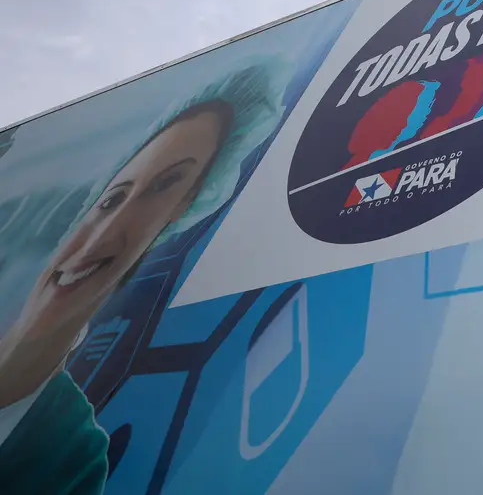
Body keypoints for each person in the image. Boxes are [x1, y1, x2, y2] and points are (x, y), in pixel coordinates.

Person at [0, 63, 283, 495]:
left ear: (178, 219)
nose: (101, 238)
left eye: (162, 189)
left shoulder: (71, 455)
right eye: (111, 199)